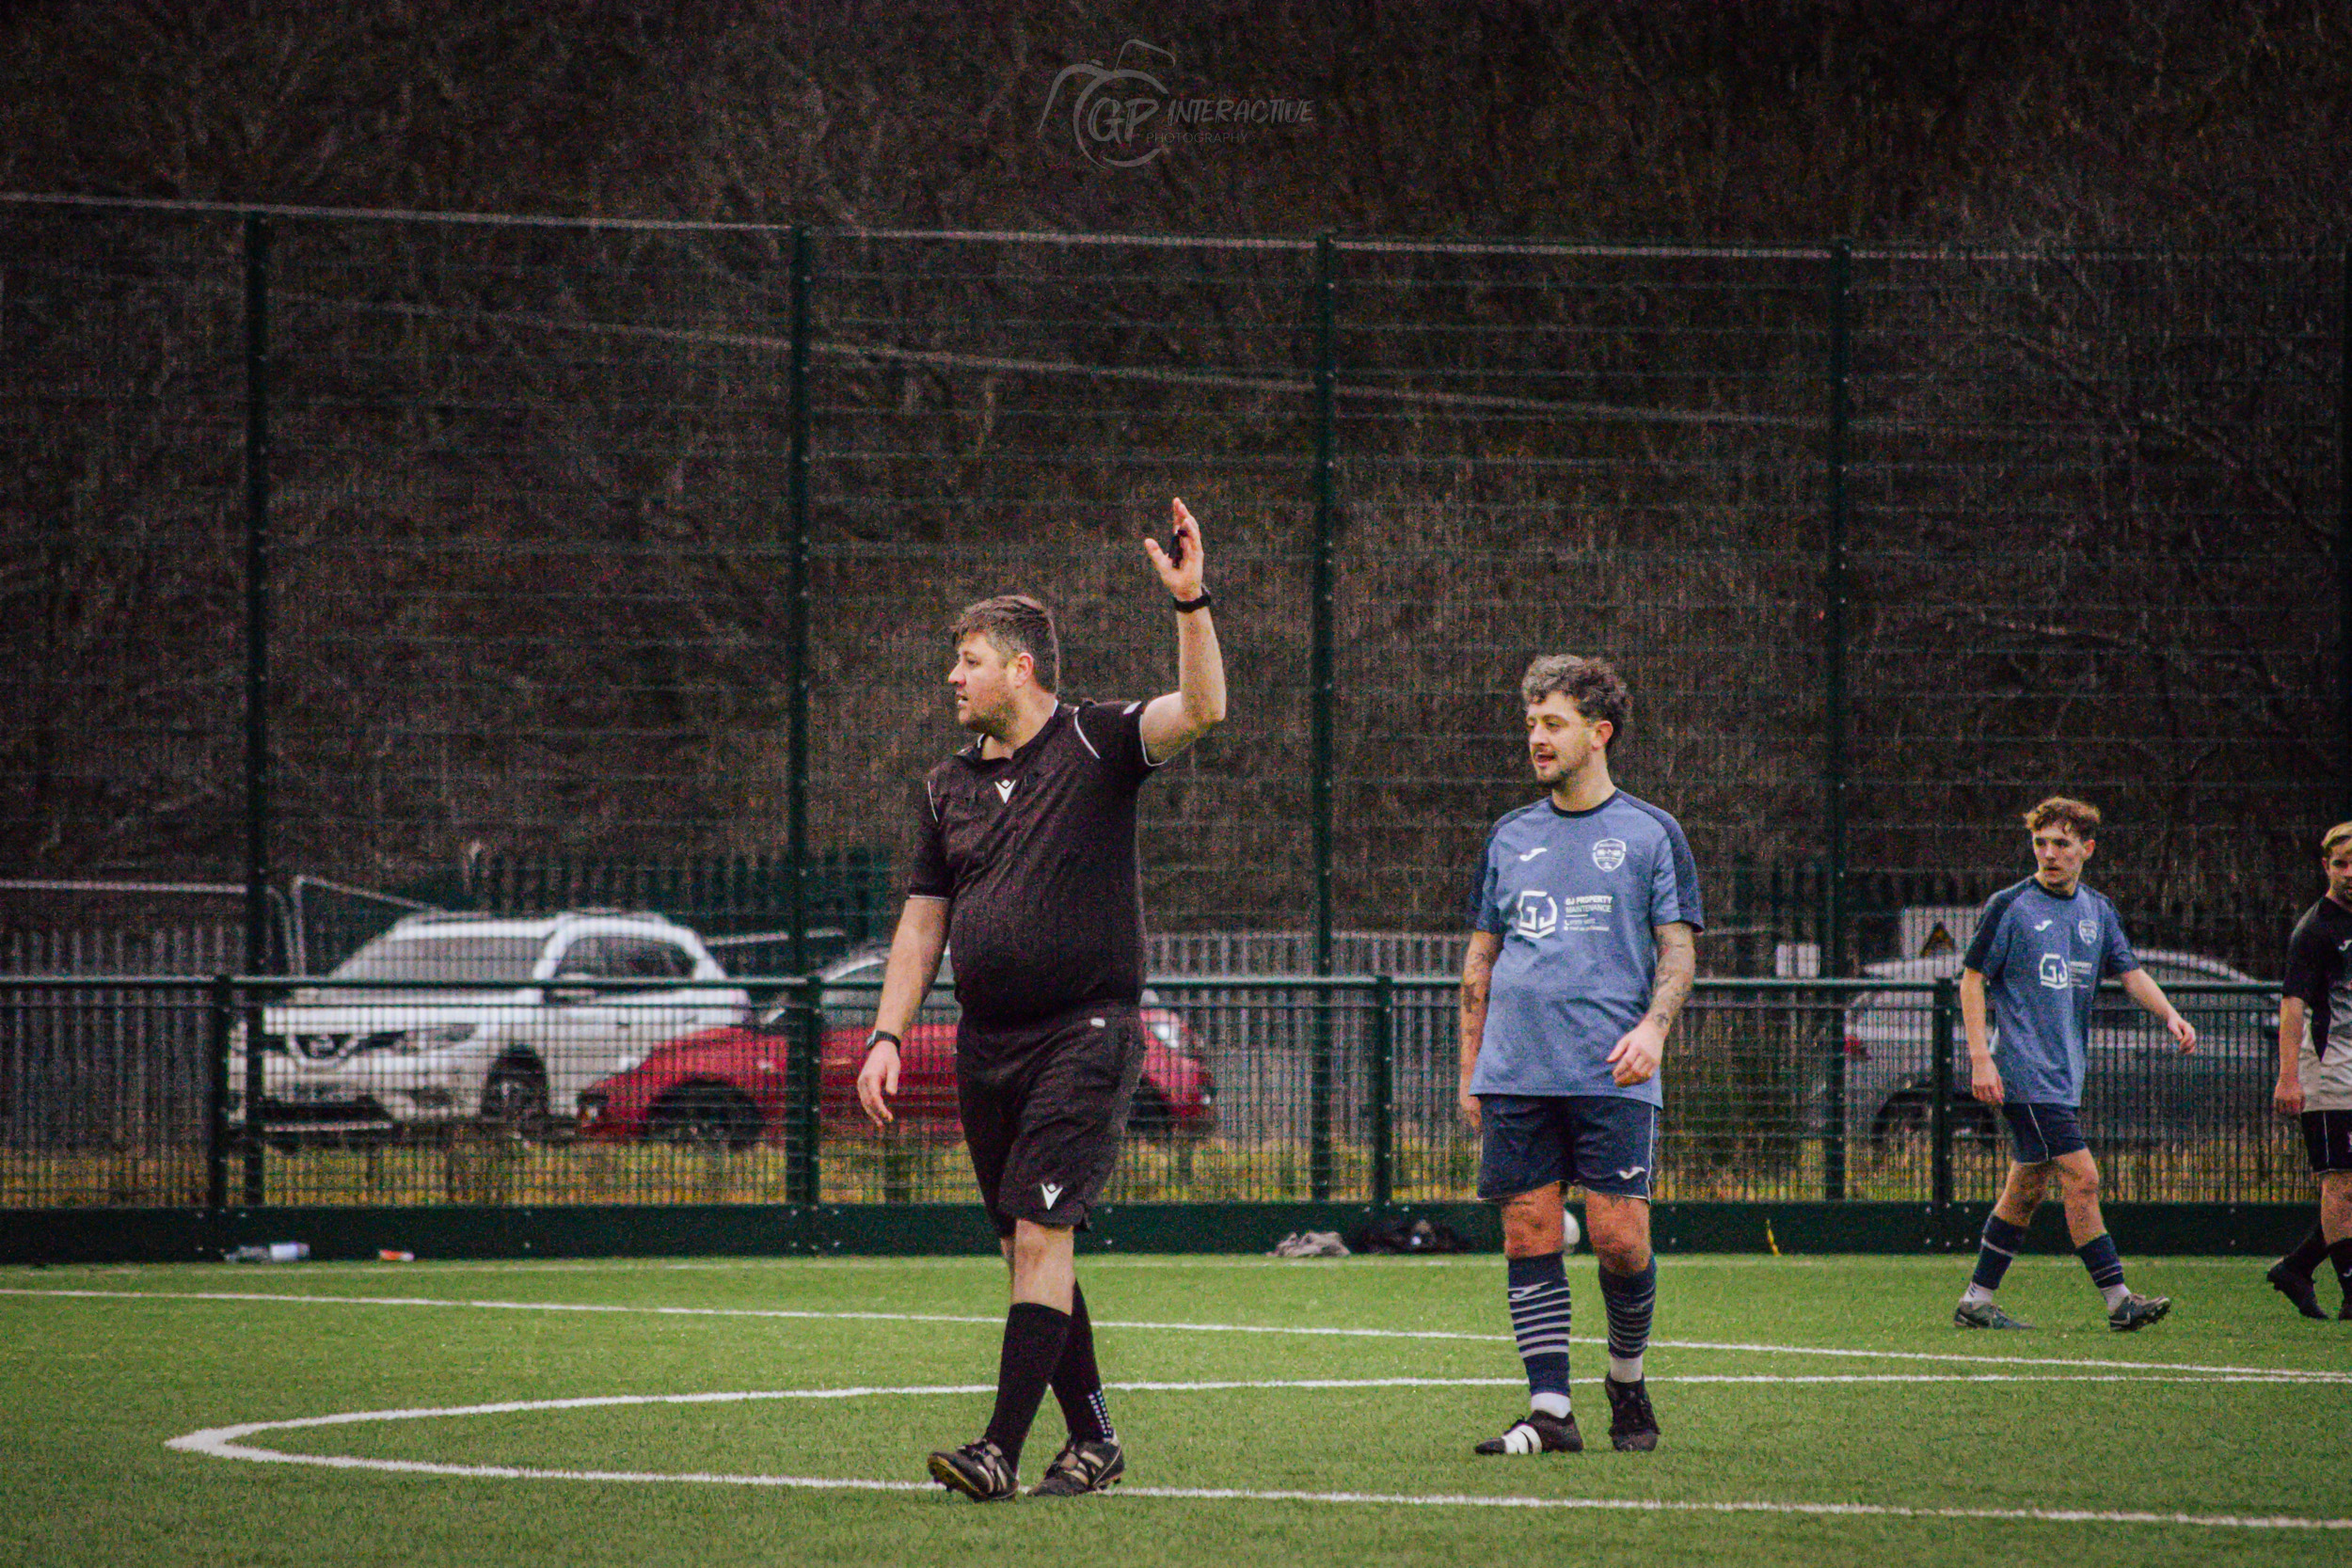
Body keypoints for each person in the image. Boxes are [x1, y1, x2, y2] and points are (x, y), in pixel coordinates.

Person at [854, 499, 1226, 1502]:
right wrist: (888, 1032)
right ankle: (1094, 1438)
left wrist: (1190, 601)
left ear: (1019, 668)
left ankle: (997, 1451)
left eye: (968, 658)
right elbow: (922, 922)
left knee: (1041, 1233)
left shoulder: (1097, 740)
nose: (952, 676)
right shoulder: (944, 788)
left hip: (1088, 1029)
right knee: (1029, 1241)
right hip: (986, 1042)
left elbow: (1200, 710)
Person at [1457, 655, 1701, 1457]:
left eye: (1552, 722)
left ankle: (1625, 1380)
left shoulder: (1651, 832)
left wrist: (1655, 1029)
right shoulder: (1509, 834)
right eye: (1530, 722)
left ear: (1599, 734)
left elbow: (1677, 952)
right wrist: (1471, 1068)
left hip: (1613, 1072)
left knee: (1619, 1236)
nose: (1536, 737)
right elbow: (1480, 962)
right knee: (1528, 1231)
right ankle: (1550, 1409)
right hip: (1516, 1070)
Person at [1951, 797, 2197, 1332]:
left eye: (2061, 844)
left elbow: (2130, 973)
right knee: (2082, 1178)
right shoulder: (2010, 905)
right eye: (2040, 843)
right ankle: (2118, 1300)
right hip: (2023, 1071)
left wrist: (2172, 1016)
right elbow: (1971, 979)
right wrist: (1980, 1060)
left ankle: (1976, 1300)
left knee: (2026, 1188)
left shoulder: (2097, 911)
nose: (2049, 854)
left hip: (2065, 1075)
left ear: (2087, 848)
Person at [2265, 821, 2352, 1321]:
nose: (2348, 873)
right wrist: (2288, 1075)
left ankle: (2297, 1266)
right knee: (2339, 1181)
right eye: (2339, 864)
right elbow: (2293, 1004)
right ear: (2325, 867)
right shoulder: (2315, 928)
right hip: (2329, 1067)